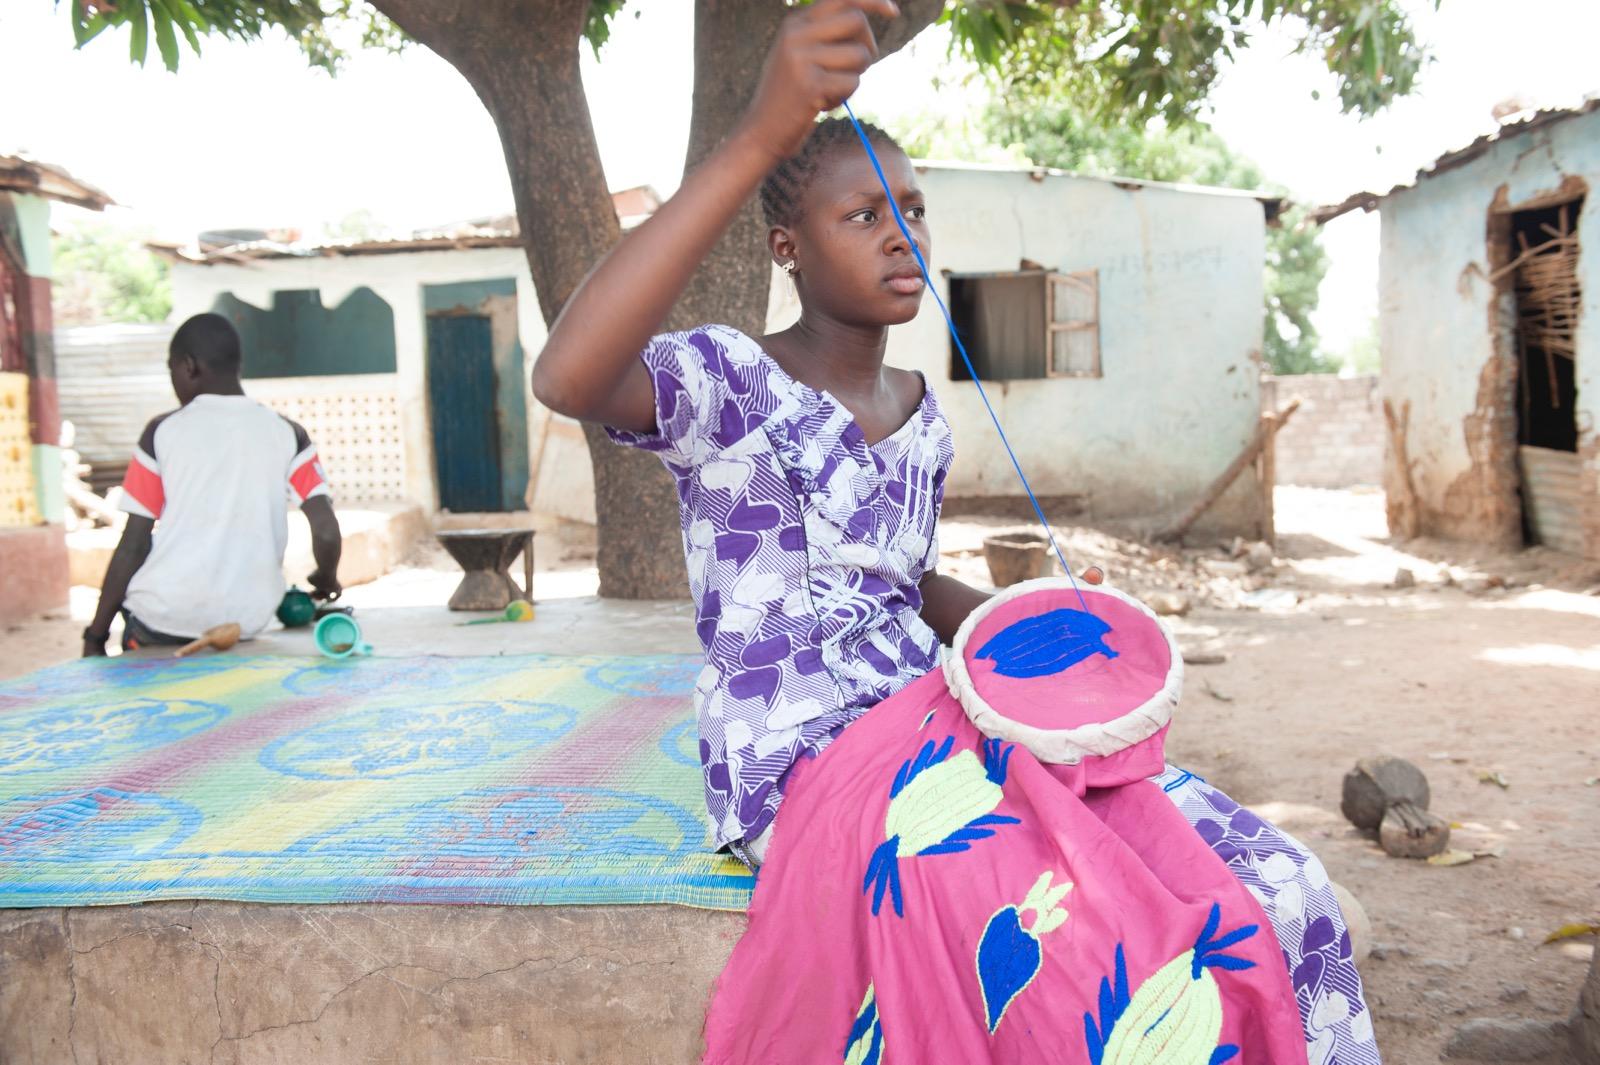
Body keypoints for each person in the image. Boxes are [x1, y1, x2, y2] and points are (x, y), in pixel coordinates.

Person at [534, 3, 1377, 1060]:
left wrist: (1052, 635)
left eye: (915, 210)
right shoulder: (726, 385)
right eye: (863, 216)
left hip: (935, 712)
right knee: (1082, 944)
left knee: (1263, 876)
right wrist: (757, 135)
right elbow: (567, 377)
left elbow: (906, 579)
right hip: (806, 751)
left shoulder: (919, 408)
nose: (903, 234)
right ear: (786, 245)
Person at [82, 313, 342, 655]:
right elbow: (325, 530)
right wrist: (326, 578)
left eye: (170, 369)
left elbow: (134, 543)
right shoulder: (288, 433)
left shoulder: (161, 432)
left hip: (161, 620)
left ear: (188, 366)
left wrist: (95, 635)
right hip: (242, 625)